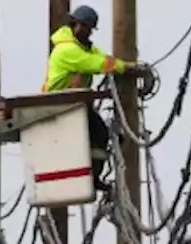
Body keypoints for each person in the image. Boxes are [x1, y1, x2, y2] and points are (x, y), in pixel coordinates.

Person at [43, 5, 148, 191]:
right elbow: (96, 63)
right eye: (84, 27)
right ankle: (92, 178)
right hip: (60, 104)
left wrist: (124, 65)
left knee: (98, 134)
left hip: (73, 105)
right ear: (74, 24)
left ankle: (92, 174)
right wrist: (126, 68)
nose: (87, 32)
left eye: (89, 28)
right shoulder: (66, 50)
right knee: (99, 134)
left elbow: (104, 58)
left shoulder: (83, 48)